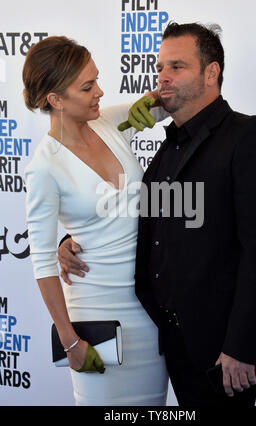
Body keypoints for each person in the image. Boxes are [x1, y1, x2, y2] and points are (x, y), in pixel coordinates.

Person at [58, 23, 256, 407]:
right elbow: (133, 221)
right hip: (172, 342)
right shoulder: (167, 151)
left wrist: (242, 347)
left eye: (177, 67)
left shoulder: (249, 136)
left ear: (211, 72)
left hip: (225, 351)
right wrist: (71, 241)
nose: (161, 79)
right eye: (159, 68)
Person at [23, 35, 169, 406]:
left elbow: (169, 101)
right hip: (96, 313)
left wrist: (152, 100)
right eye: (88, 87)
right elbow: (41, 263)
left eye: (98, 80)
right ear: (55, 100)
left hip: (149, 307)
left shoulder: (108, 122)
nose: (100, 92)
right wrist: (69, 340)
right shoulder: (44, 167)